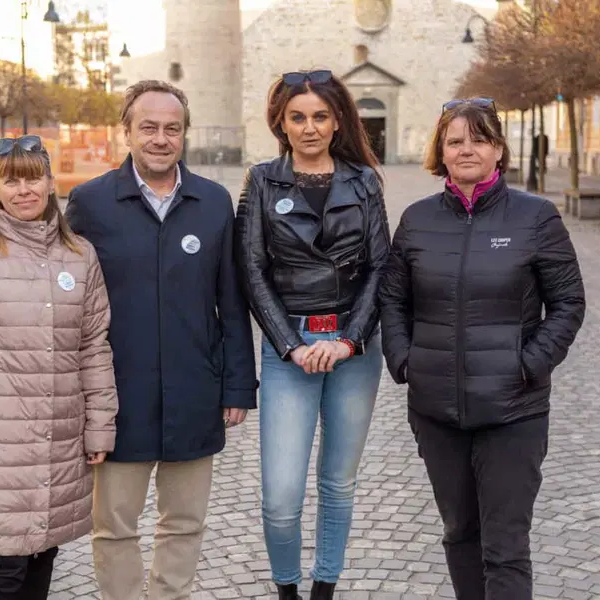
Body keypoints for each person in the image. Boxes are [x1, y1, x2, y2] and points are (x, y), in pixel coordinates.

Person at [379, 98, 586, 600]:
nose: (466, 148)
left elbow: (568, 303)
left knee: (506, 545)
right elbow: (392, 297)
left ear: (498, 149)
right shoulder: (418, 219)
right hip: (436, 410)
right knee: (460, 533)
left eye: (478, 138)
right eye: (455, 140)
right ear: (441, 152)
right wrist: (406, 361)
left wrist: (529, 365)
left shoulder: (536, 216)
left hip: (513, 411)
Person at [64, 80, 258, 600]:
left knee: (185, 522)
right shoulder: (89, 204)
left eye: (172, 128)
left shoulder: (213, 202)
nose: (160, 138)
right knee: (114, 526)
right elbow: (67, 303)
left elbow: (232, 301)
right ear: (126, 132)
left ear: (184, 135)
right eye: (147, 127)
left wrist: (238, 385)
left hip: (196, 388)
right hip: (117, 395)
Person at [0, 135, 118, 600]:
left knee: (42, 555)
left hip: (60, 439)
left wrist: (99, 426)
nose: (24, 190)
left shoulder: (79, 255)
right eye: (11, 180)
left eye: (33, 178)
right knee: (3, 568)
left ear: (52, 183)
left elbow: (93, 346)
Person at [235, 69, 391, 600]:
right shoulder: (261, 181)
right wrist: (291, 345)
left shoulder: (364, 181)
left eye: (320, 116)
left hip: (352, 348)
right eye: (297, 117)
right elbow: (253, 272)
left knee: (338, 484)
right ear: (280, 121)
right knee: (281, 494)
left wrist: (348, 340)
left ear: (337, 120)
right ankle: (286, 590)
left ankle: (324, 587)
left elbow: (379, 268)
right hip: (290, 350)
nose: (309, 127)